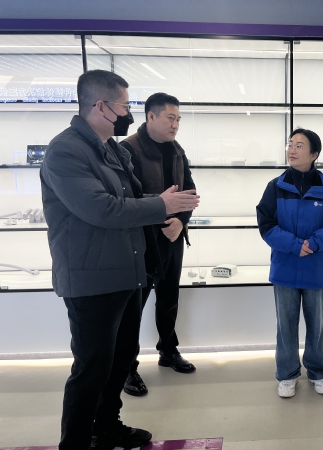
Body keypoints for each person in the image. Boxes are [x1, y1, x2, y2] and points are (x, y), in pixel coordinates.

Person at [40, 70, 200, 450]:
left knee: (120, 359)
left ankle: (107, 426)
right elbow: (102, 209)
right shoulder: (65, 151)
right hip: (92, 278)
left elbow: (131, 199)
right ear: (101, 106)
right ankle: (76, 442)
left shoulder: (110, 148)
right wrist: (161, 205)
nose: (129, 113)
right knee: (92, 367)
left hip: (129, 271)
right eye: (125, 106)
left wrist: (170, 209)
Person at [256, 128, 323, 398]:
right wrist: (295, 245)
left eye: (299, 146)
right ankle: (287, 374)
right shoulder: (275, 186)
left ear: (314, 154)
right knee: (285, 326)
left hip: (316, 268)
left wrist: (315, 243)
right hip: (285, 267)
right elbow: (266, 225)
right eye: (290, 144)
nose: (292, 150)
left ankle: (319, 372)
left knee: (316, 326)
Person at [120, 92, 196, 398]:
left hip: (172, 238)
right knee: (133, 308)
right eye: (170, 118)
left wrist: (181, 221)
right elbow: (126, 199)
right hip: (141, 242)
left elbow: (190, 191)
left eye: (178, 119)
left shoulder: (177, 150)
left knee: (169, 298)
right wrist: (163, 215)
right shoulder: (128, 149)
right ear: (151, 116)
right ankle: (127, 366)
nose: (175, 124)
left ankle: (168, 350)